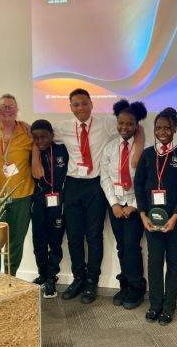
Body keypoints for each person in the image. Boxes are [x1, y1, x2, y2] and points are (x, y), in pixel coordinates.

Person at [53, 88, 144, 304]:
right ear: (70, 107)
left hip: (95, 185)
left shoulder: (106, 123)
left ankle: (92, 281)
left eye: (84, 103)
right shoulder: (63, 127)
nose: (81, 108)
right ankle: (78, 278)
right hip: (73, 184)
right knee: (74, 236)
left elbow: (135, 126)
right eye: (76, 104)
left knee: (94, 236)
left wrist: (139, 149)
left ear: (92, 104)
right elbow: (40, 136)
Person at [134, 107, 177, 325]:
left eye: (167, 128)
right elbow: (139, 185)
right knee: (155, 260)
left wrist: (176, 215)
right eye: (158, 128)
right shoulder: (147, 154)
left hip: (175, 218)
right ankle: (155, 304)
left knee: (174, 261)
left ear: (174, 128)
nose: (162, 132)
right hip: (152, 218)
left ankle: (169, 306)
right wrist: (142, 214)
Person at [100, 99, 147, 309]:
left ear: (137, 125)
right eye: (121, 123)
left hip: (135, 205)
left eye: (130, 123)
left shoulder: (144, 149)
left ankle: (137, 287)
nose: (125, 127)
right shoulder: (110, 147)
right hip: (116, 205)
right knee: (121, 246)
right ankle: (125, 284)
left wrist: (133, 205)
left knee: (131, 246)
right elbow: (105, 178)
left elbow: (146, 181)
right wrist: (114, 204)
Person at [0, 94, 34, 276]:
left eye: (11, 106)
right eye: (3, 106)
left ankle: (10, 278)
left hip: (22, 195)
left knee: (16, 241)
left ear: (17, 110)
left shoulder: (27, 133)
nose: (7, 110)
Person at [31, 119, 68, 298]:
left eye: (44, 137)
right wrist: (34, 153)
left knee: (55, 241)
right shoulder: (31, 154)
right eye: (36, 138)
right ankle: (43, 274)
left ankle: (51, 276)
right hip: (38, 203)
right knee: (39, 241)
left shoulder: (62, 150)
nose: (40, 141)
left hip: (58, 204)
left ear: (52, 135)